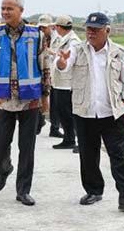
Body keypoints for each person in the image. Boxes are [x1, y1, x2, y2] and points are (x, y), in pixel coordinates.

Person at [56, 12, 124, 212]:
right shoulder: (77, 50)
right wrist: (61, 62)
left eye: (95, 29)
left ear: (107, 30)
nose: (91, 33)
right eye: (88, 29)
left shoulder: (119, 52)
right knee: (88, 154)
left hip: (113, 112)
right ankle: (94, 190)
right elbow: (64, 67)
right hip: (84, 111)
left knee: (120, 155)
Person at [0, 0, 50, 206]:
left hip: (30, 99)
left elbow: (45, 66)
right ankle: (4, 167)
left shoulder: (36, 35)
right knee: (0, 142)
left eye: (9, 8)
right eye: (2, 8)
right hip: (3, 99)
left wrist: (45, 99)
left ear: (21, 10)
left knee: (27, 147)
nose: (5, 12)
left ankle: (23, 190)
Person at [51, 15, 81, 151]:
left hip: (66, 83)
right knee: (63, 112)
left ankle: (76, 140)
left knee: (69, 113)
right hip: (60, 82)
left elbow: (68, 60)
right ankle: (68, 138)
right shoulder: (65, 39)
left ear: (58, 27)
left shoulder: (73, 41)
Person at [36, 14, 62, 138]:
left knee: (55, 103)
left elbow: (63, 55)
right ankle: (40, 121)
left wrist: (48, 50)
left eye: (44, 28)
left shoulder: (59, 39)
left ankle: (54, 128)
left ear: (51, 27)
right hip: (41, 73)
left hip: (55, 74)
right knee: (39, 99)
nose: (42, 30)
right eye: (40, 27)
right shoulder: (36, 38)